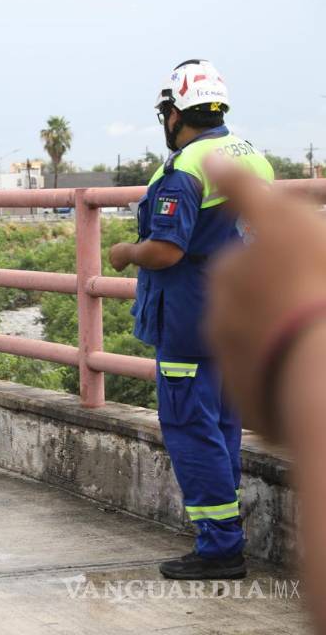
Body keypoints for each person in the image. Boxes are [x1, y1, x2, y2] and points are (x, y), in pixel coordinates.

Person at [107, 59, 274, 580]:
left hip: (190, 323)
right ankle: (227, 535)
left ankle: (220, 548)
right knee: (222, 427)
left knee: (191, 431)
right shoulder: (250, 156)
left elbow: (166, 250)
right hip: (235, 318)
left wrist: (126, 252)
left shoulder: (185, 169)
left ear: (176, 114)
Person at [203, 155, 326, 633]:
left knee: (202, 430)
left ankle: (218, 546)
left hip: (206, 323)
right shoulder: (246, 151)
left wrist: (300, 340)